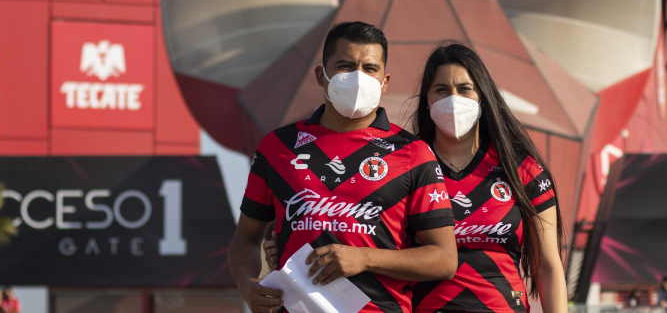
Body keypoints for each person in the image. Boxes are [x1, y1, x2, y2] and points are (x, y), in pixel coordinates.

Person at [228, 22, 458, 313]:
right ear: (321, 76)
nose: (359, 77)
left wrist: (364, 258)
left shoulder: (414, 153)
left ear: (385, 82)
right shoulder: (277, 146)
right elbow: (245, 239)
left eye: (370, 68)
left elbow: (444, 260)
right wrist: (248, 285)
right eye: (345, 66)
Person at [408, 43, 567, 313]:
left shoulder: (523, 170)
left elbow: (548, 267)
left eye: (465, 88)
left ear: (483, 96)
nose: (453, 98)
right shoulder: (406, 166)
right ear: (427, 100)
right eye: (441, 89)